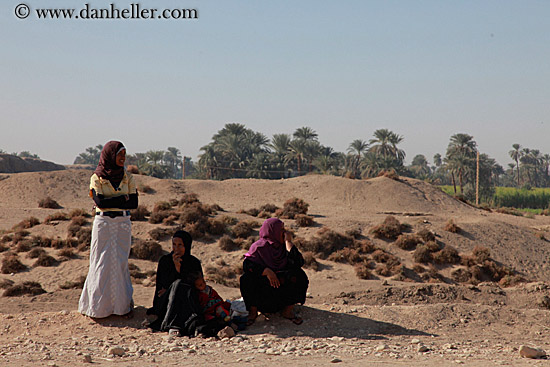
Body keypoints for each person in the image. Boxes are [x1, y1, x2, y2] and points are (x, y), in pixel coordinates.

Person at [79, 141, 138, 319]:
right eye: (120, 154)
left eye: (124, 155)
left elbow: (133, 203)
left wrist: (114, 201)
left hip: (122, 223)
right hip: (103, 223)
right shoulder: (97, 178)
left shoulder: (127, 177)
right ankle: (98, 309)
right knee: (100, 261)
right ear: (110, 155)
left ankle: (121, 307)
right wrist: (123, 198)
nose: (123, 158)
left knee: (120, 261)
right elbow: (100, 203)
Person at [239, 217, 309, 325]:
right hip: (264, 292)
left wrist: (288, 242)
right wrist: (266, 271)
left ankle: (287, 311)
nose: (284, 232)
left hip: (281, 291)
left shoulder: (284, 248)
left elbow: (298, 262)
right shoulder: (258, 247)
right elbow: (247, 265)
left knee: (299, 275)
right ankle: (252, 313)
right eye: (281, 229)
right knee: (246, 279)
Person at [147, 230, 204, 335]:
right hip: (166, 302)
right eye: (174, 244)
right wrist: (172, 286)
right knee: (178, 284)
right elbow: (162, 287)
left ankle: (177, 325)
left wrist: (179, 269)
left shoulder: (194, 262)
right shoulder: (165, 261)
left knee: (181, 286)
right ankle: (172, 324)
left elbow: (197, 284)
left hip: (188, 301)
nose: (176, 249)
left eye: (180, 245)